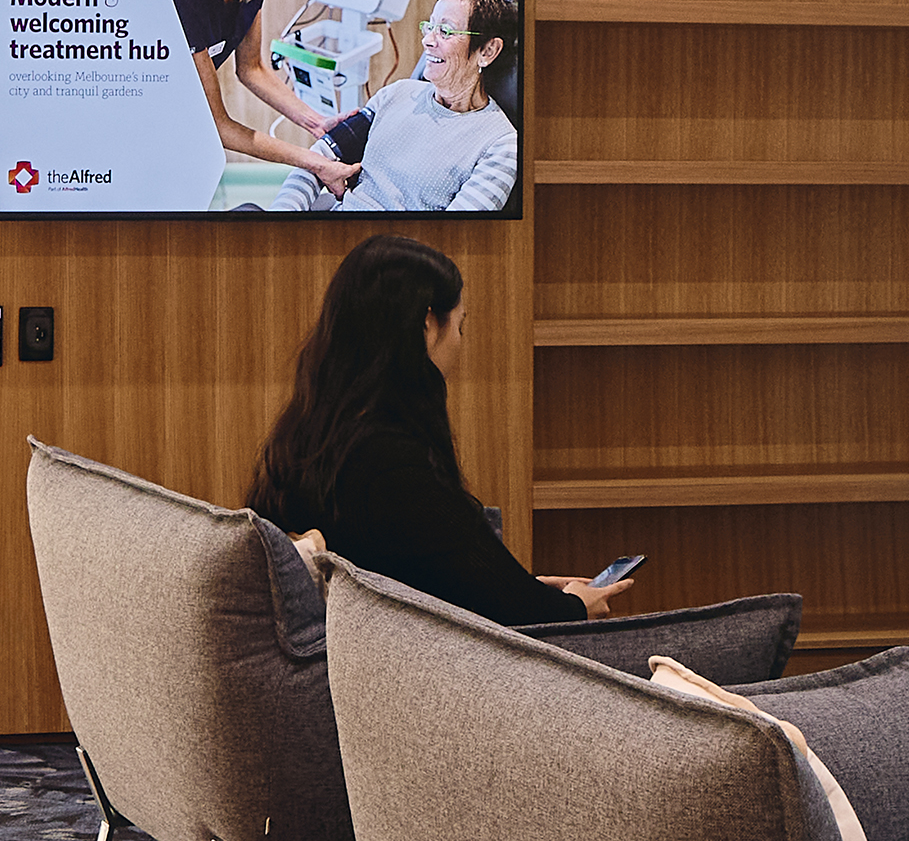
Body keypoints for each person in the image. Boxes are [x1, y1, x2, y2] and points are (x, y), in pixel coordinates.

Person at [248, 234, 627, 624]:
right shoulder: (390, 464)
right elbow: (524, 618)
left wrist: (522, 586)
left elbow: (431, 571)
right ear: (428, 325)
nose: (461, 344)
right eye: (460, 326)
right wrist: (576, 606)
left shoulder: (312, 434)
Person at [158, 0, 356, 197]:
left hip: (181, 123)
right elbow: (218, 125)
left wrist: (318, 124)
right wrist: (315, 163)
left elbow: (251, 68)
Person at [268, 0, 518, 216]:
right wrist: (281, 217)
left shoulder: (500, 144)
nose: (428, 40)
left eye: (445, 31)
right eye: (430, 26)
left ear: (487, 50)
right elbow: (318, 160)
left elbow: (453, 237)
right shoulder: (396, 95)